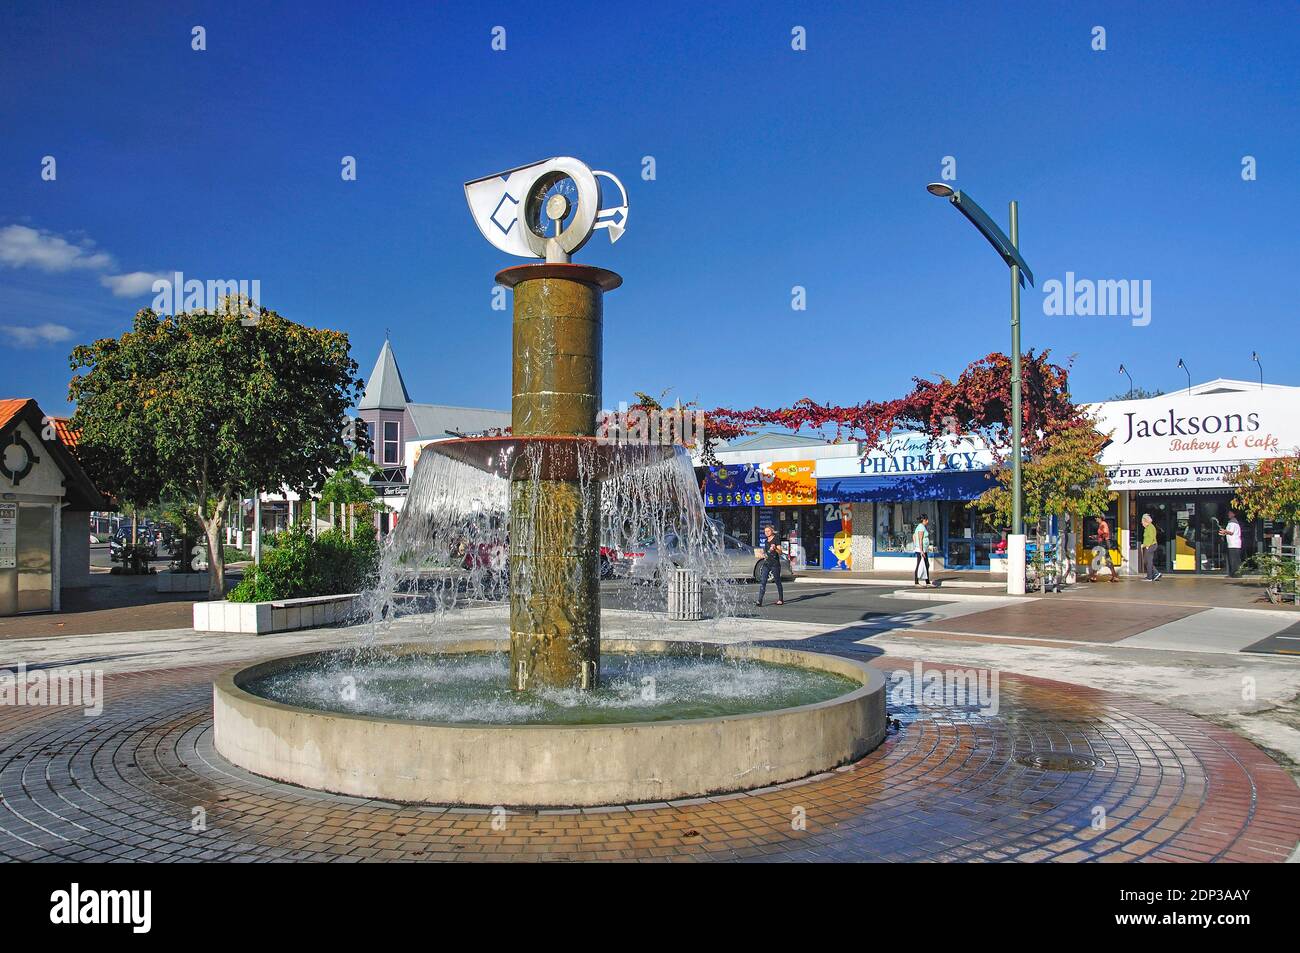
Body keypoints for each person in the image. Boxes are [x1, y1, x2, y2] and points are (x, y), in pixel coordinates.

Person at [755, 524, 785, 607]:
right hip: (766, 563)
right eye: (765, 531)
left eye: (768, 531)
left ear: (772, 531)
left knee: (777, 581)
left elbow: (780, 552)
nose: (766, 533)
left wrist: (775, 548)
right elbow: (767, 553)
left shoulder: (776, 538)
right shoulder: (765, 541)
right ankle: (759, 600)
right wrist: (762, 555)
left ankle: (781, 599)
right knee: (763, 581)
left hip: (775, 564)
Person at [1089, 515, 1119, 583]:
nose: (1095, 519)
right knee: (1103, 559)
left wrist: (1098, 537)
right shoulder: (1101, 524)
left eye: (1097, 517)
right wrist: (1096, 537)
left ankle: (1094, 576)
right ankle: (1114, 576)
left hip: (1103, 544)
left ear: (1100, 518)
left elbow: (1105, 533)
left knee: (1098, 559)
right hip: (1103, 543)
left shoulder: (1103, 524)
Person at [1219, 509, 1244, 577]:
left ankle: (1236, 574)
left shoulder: (1233, 523)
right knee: (1233, 559)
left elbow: (1231, 532)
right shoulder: (1232, 522)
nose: (1228, 514)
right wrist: (1224, 532)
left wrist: (1224, 531)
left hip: (1234, 544)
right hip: (1232, 544)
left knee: (1234, 560)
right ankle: (1233, 574)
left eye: (1230, 513)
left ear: (1233, 514)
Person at [1141, 513, 1161, 581]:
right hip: (1150, 545)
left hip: (1151, 545)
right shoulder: (1148, 527)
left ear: (1146, 521)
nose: (1142, 523)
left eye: (1142, 521)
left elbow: (1151, 538)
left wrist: (1146, 545)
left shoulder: (1150, 527)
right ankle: (1155, 574)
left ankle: (1150, 576)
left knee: (1148, 561)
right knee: (1147, 561)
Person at [913, 514, 931, 587]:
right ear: (924, 520)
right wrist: (921, 550)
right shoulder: (921, 527)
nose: (928, 521)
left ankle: (927, 582)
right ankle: (916, 582)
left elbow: (913, 536)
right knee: (920, 564)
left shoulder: (921, 527)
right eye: (927, 520)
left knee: (926, 564)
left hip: (923, 549)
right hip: (921, 549)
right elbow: (920, 539)